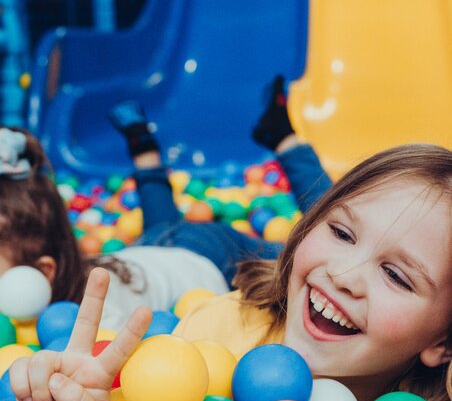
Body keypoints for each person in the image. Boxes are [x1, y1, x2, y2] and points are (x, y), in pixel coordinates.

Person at [10, 142, 452, 401]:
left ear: (443, 343)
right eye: (340, 231)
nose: (345, 275)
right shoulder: (209, 337)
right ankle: (147, 156)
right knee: (171, 230)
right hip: (208, 251)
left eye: (396, 276)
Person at [0, 77, 332, 331]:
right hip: (153, 248)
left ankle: (285, 139)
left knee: (314, 255)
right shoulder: (69, 273)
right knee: (161, 227)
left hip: (212, 257)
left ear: (43, 272)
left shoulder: (93, 317)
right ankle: (141, 143)